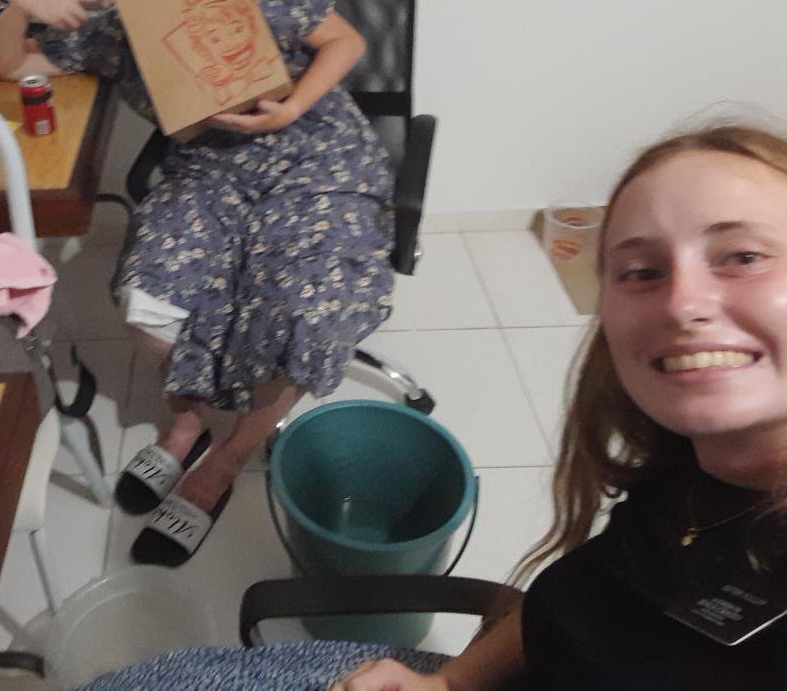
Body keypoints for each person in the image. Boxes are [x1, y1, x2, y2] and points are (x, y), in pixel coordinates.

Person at [0, 0, 395, 566]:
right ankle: (185, 423)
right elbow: (3, 65)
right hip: (210, 170)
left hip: (314, 151)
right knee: (149, 297)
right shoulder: (108, 23)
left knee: (305, 308)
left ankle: (227, 459)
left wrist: (290, 107)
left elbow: (346, 41)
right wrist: (24, 2)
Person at [332, 123, 787, 690]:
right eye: (642, 272)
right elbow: (593, 605)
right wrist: (449, 684)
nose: (682, 303)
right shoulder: (686, 480)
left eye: (743, 256)